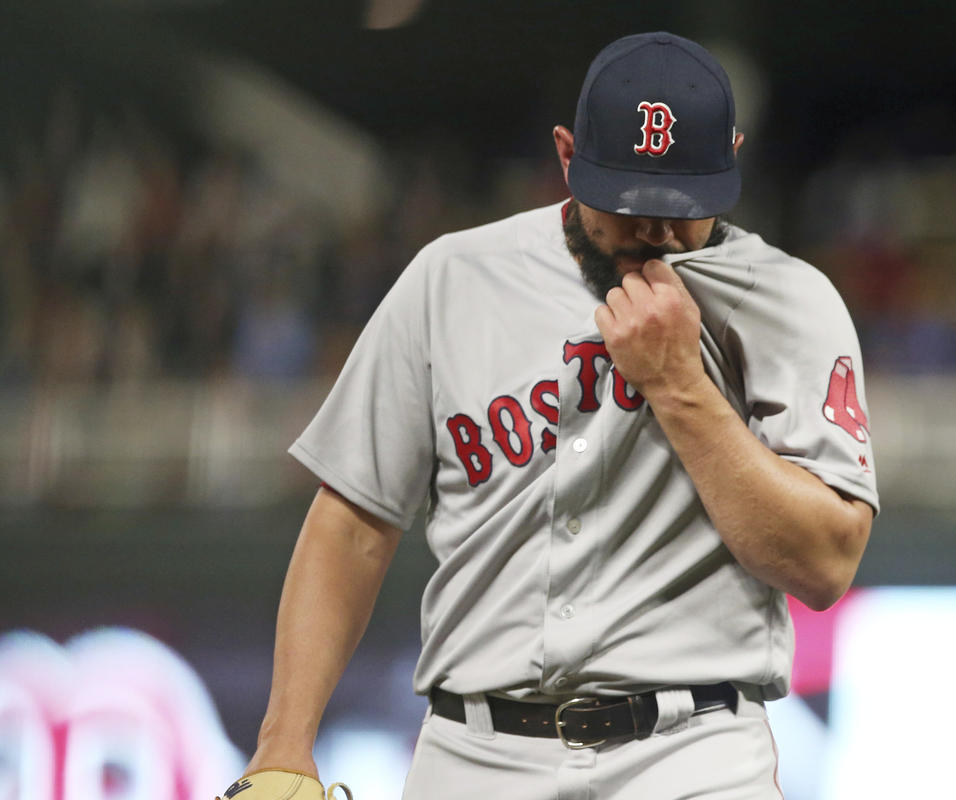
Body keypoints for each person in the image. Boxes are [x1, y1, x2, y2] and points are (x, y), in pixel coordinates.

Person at [235, 31, 877, 799]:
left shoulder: (789, 302)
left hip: (692, 756)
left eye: (683, 207)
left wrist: (681, 388)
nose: (657, 234)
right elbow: (349, 524)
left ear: (732, 156)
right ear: (569, 157)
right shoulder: (453, 279)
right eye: (628, 204)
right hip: (473, 754)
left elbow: (825, 563)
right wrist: (282, 746)